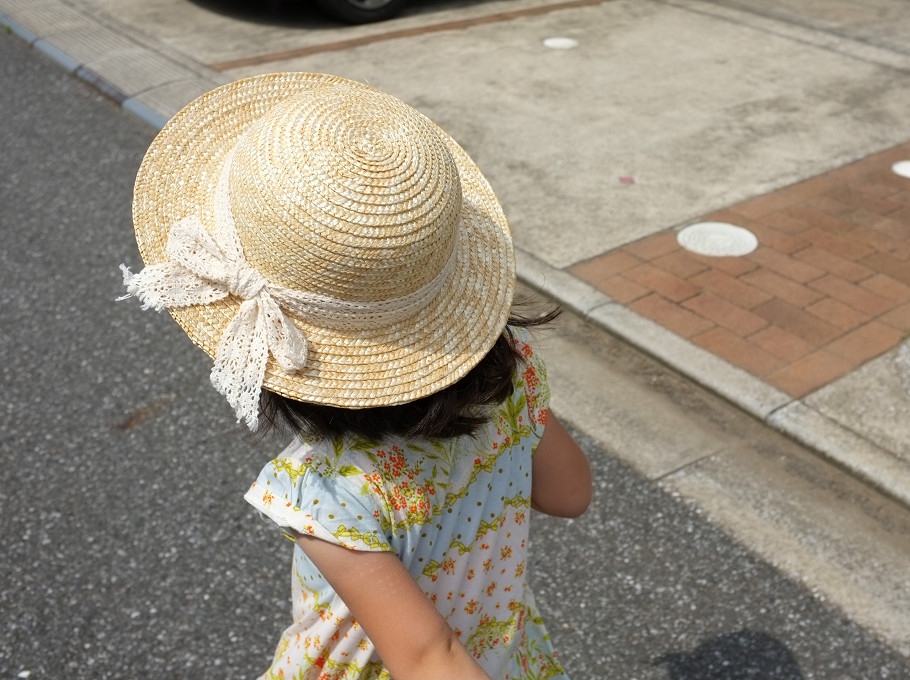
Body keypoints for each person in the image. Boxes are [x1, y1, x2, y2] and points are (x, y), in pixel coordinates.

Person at [119, 72, 592, 680]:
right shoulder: (513, 376)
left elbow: (427, 657)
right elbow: (569, 494)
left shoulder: (325, 489)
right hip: (498, 651)